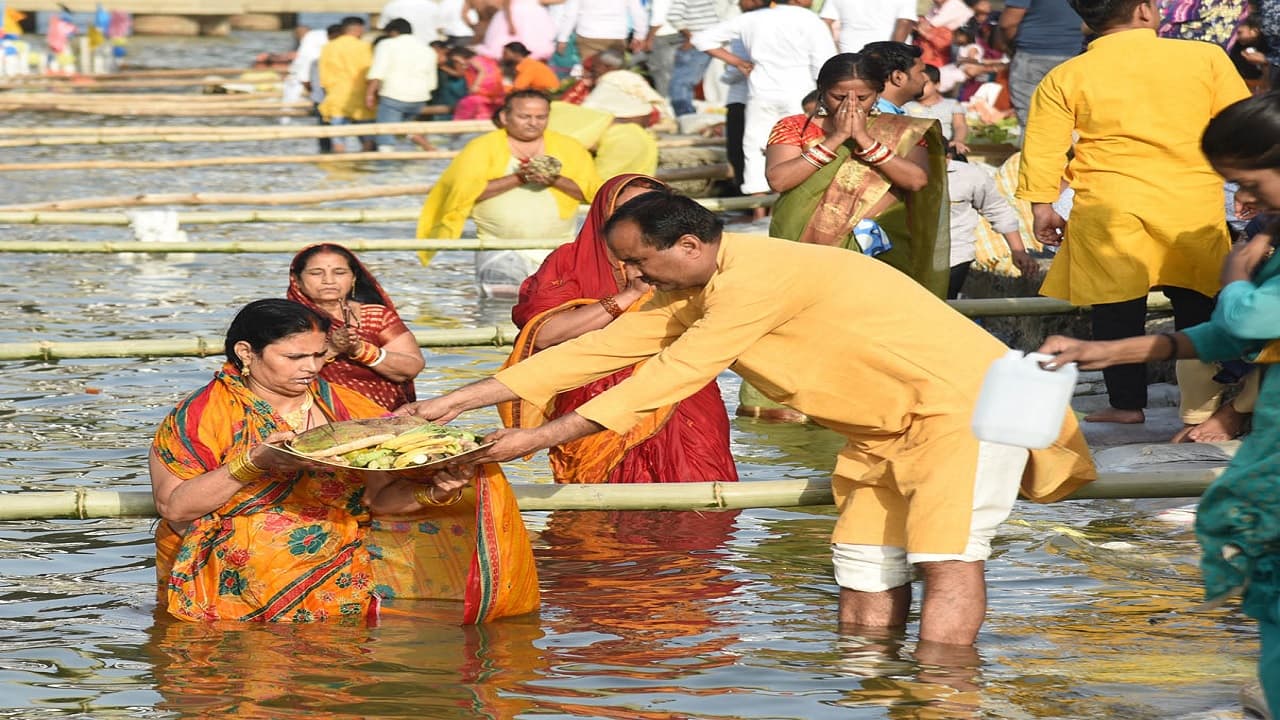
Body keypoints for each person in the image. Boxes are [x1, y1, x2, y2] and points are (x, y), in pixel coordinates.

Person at [397, 190, 1096, 646]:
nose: (635, 280)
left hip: (960, 412)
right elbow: (600, 350)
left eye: (641, 264)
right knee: (860, 565)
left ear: (689, 247)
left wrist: (535, 439)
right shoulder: (697, 285)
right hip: (880, 430)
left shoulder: (753, 279)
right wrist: (452, 402)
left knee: (946, 560)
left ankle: (946, 699)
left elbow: (673, 375)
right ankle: (871, 690)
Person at [1035, 91, 1280, 714]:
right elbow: (1221, 336)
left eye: (1249, 184)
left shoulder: (1253, 255)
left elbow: (1249, 319)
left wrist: (1235, 274)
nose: (1243, 203)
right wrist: (1105, 353)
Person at [149, 299, 536, 623]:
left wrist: (437, 491)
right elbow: (175, 505)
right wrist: (255, 461)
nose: (312, 367)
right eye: (294, 356)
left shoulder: (346, 407)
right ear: (247, 353)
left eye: (319, 355)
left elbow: (379, 502)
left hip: (340, 585)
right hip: (233, 590)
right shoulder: (200, 415)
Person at [1017, 0, 1251, 428]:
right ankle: (1200, 409)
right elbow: (1240, 125)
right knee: (1199, 304)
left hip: (1109, 206)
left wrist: (1041, 205)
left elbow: (1044, 146)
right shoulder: (1204, 57)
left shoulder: (1066, 75)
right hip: (1191, 202)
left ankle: (1125, 405)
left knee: (1116, 307)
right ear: (1144, 10)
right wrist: (1249, 186)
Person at [502, 173, 738, 483]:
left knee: (700, 502)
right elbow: (545, 334)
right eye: (628, 212)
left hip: (683, 398)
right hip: (592, 401)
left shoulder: (688, 260)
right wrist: (626, 297)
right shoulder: (569, 262)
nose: (640, 222)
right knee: (596, 523)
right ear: (605, 215)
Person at [764, 52, 948, 296]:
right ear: (822, 90)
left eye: (863, 97)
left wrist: (865, 140)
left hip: (879, 247)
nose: (850, 104)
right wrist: (837, 138)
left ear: (878, 93)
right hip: (806, 244)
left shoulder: (902, 130)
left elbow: (916, 180)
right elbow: (779, 180)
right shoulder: (795, 126)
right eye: (838, 97)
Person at [416, 89, 601, 298]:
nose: (533, 123)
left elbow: (593, 193)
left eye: (541, 117)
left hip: (558, 251)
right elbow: (461, 193)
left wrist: (555, 180)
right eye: (525, 116)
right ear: (505, 117)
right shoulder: (480, 148)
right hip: (499, 249)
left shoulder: (570, 148)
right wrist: (518, 178)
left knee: (554, 312)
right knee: (501, 312)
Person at [692, 0, 836, 197]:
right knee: (799, 145)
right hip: (799, 91)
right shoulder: (810, 19)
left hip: (761, 93)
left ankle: (757, 209)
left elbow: (701, 39)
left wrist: (738, 62)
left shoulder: (751, 19)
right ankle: (791, 200)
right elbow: (825, 64)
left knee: (754, 146)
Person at [286, 243, 424, 410]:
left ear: (353, 278)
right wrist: (331, 349)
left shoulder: (376, 315)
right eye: (316, 273)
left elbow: (411, 368)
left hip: (386, 414)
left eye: (339, 272)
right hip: (318, 416)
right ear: (297, 280)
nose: (328, 280)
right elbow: (278, 374)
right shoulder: (287, 321)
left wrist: (360, 350)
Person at [945, 153, 1038, 299]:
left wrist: (1018, 250)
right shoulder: (904, 172)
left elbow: (998, 211)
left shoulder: (969, 175)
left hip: (954, 258)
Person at [997, 0, 1084, 131]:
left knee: (1032, 122)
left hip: (1033, 54)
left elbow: (1008, 23)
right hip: (1077, 56)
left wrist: (1011, 47)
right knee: (1074, 122)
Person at [365, 18, 438, 152]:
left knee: (385, 135)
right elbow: (432, 83)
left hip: (393, 96)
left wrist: (370, 94)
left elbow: (377, 72)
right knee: (405, 127)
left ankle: (387, 168)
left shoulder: (387, 44)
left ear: (393, 32)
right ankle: (429, 149)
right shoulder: (427, 49)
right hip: (419, 98)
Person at [318, 16, 375, 153]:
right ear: (359, 29)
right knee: (367, 137)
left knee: (338, 139)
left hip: (336, 98)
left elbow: (324, 76)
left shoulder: (329, 47)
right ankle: (367, 166)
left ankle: (339, 167)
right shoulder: (364, 46)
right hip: (360, 97)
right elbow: (370, 72)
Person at [554, 0, 649, 63]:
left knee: (589, 72)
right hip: (616, 36)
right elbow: (638, 12)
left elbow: (570, 15)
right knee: (612, 74)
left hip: (588, 35)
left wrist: (563, 38)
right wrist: (639, 35)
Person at [904, 64, 970, 153]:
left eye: (924, 83)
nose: (919, 87)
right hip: (916, 151)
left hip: (945, 150)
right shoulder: (906, 105)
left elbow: (960, 125)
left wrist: (958, 141)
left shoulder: (952, 104)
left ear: (937, 85)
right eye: (916, 83)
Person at [858, 41, 929, 116]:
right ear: (898, 77)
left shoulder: (862, 112)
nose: (925, 78)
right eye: (921, 72)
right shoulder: (880, 118)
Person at [819, 0, 916, 54]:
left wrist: (834, 51)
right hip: (886, 53)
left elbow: (825, 22)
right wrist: (893, 54)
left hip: (849, 52)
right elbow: (904, 22)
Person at [474, 0, 557, 62]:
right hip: (515, 16)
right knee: (505, 47)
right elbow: (506, 3)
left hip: (533, 18)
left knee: (533, 47)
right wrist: (511, 23)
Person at [448, 46, 507, 120]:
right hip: (493, 92)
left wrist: (476, 86)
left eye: (456, 60)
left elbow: (482, 71)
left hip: (485, 91)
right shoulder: (483, 59)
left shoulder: (473, 60)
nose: (456, 63)